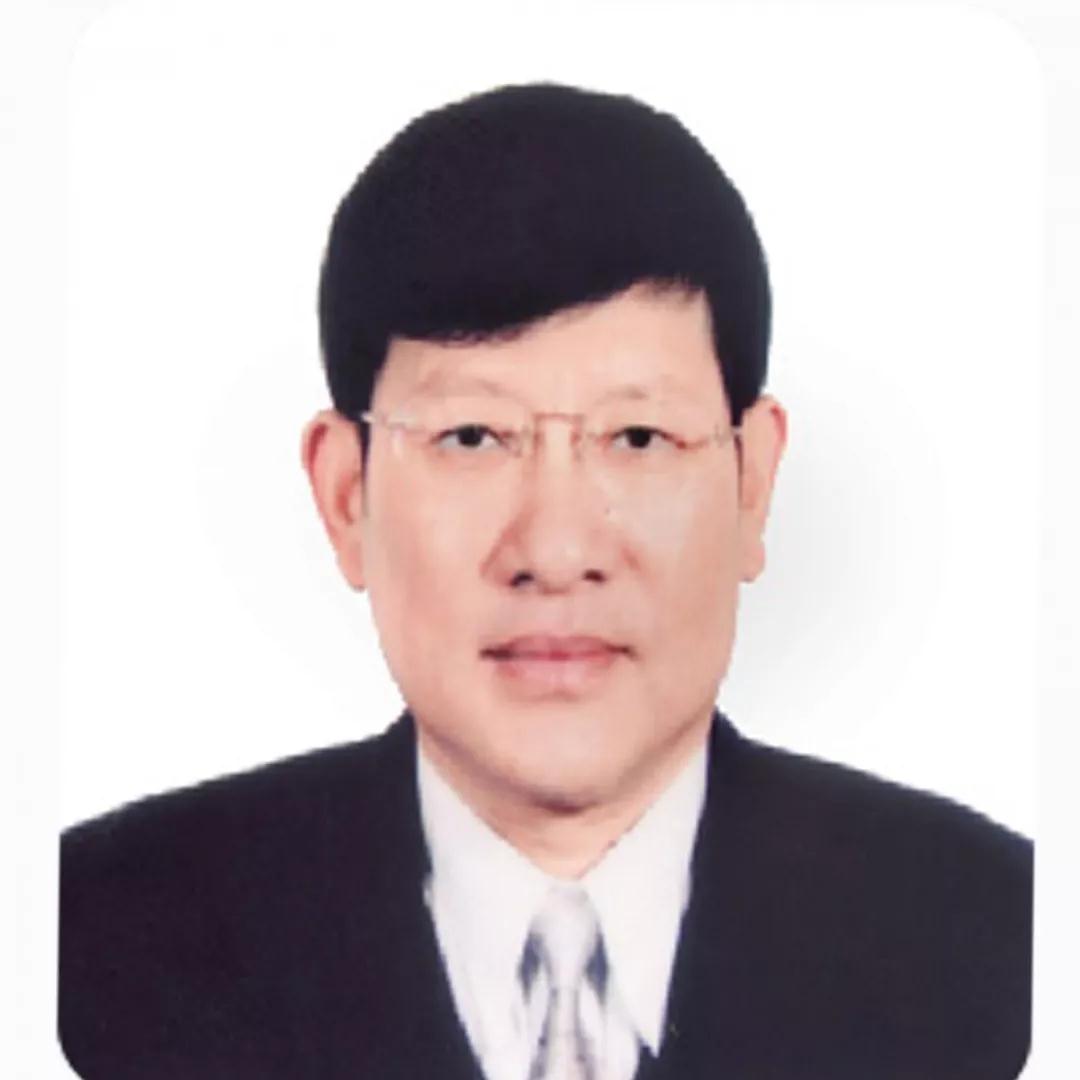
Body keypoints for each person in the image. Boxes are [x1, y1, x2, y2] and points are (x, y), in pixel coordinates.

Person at [58, 83, 1032, 1080]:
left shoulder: (1006, 945)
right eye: (471, 436)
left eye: (639, 437)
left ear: (753, 484)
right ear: (347, 496)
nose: (558, 550)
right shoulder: (88, 945)